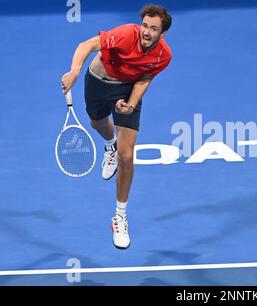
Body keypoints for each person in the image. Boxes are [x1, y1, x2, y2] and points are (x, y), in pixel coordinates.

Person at [60, 4, 172, 249]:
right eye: (145, 25)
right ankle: (109, 145)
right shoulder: (124, 34)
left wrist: (130, 105)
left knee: (127, 154)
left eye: (153, 29)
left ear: (162, 34)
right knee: (97, 122)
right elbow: (86, 46)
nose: (146, 32)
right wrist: (74, 72)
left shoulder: (164, 55)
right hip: (99, 81)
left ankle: (120, 215)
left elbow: (146, 77)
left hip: (129, 86)